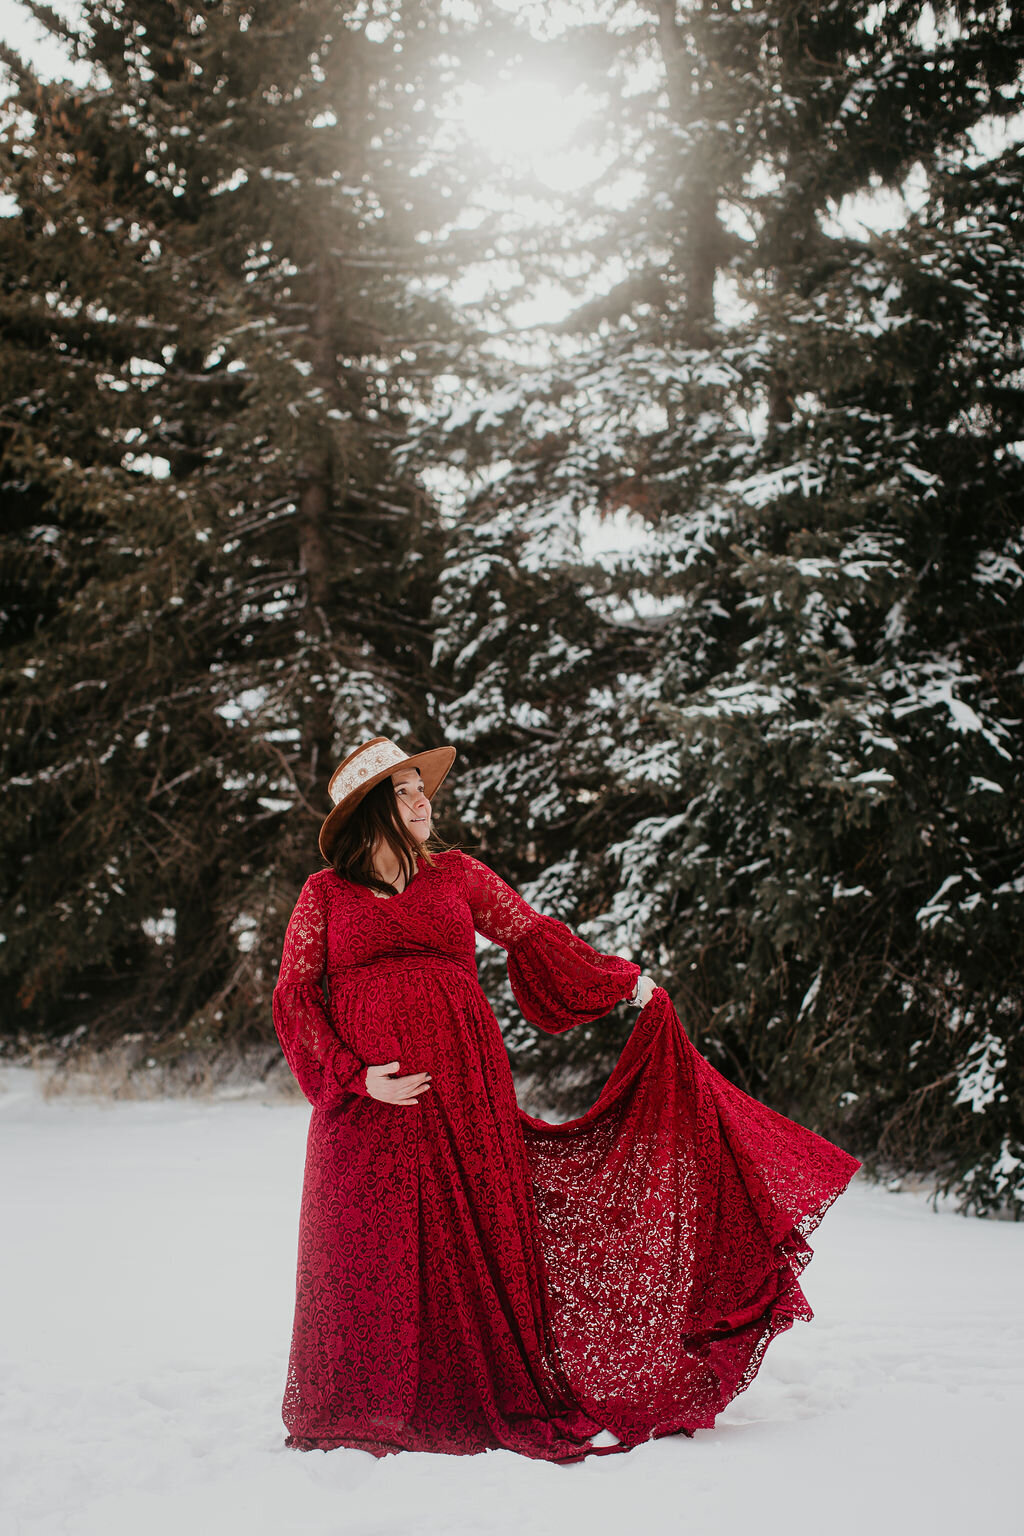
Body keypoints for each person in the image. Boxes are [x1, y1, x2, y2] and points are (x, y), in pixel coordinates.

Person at [272, 735, 860, 1461]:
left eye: (422, 786)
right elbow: (295, 996)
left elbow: (533, 936)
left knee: (473, 1239)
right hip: (365, 1105)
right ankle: (355, 1408)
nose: (424, 798)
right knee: (362, 1246)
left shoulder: (458, 876)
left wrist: (621, 981)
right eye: (405, 789)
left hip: (464, 1090)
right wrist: (357, 1076)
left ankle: (463, 1400)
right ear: (370, 811)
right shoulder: (324, 896)